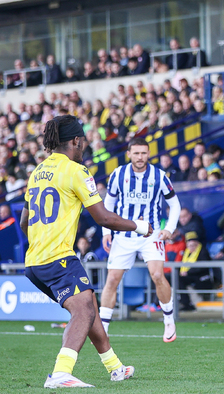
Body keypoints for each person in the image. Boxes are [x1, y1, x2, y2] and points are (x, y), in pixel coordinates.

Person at [20, 115, 150, 387]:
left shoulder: (37, 172)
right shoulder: (76, 171)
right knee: (84, 312)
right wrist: (139, 226)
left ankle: (115, 367)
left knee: (89, 306)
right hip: (59, 258)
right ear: (76, 140)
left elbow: (24, 221)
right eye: (83, 142)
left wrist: (42, 243)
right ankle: (60, 373)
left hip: (34, 260)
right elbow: (103, 218)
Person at [100, 138, 181, 343]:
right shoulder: (119, 174)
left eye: (143, 153)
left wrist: (168, 229)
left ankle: (169, 320)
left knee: (156, 274)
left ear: (149, 153)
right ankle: (103, 329)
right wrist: (105, 231)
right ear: (129, 154)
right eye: (136, 153)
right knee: (112, 280)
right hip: (124, 234)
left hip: (151, 234)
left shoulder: (160, 176)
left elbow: (176, 206)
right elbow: (108, 203)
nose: (140, 157)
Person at [175, 231, 213, 311]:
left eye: (193, 245)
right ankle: (184, 303)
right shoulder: (186, 252)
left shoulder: (203, 252)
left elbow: (202, 267)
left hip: (200, 277)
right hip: (190, 276)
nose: (191, 247)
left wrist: (188, 272)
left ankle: (186, 303)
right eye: (189, 245)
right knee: (176, 278)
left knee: (180, 280)